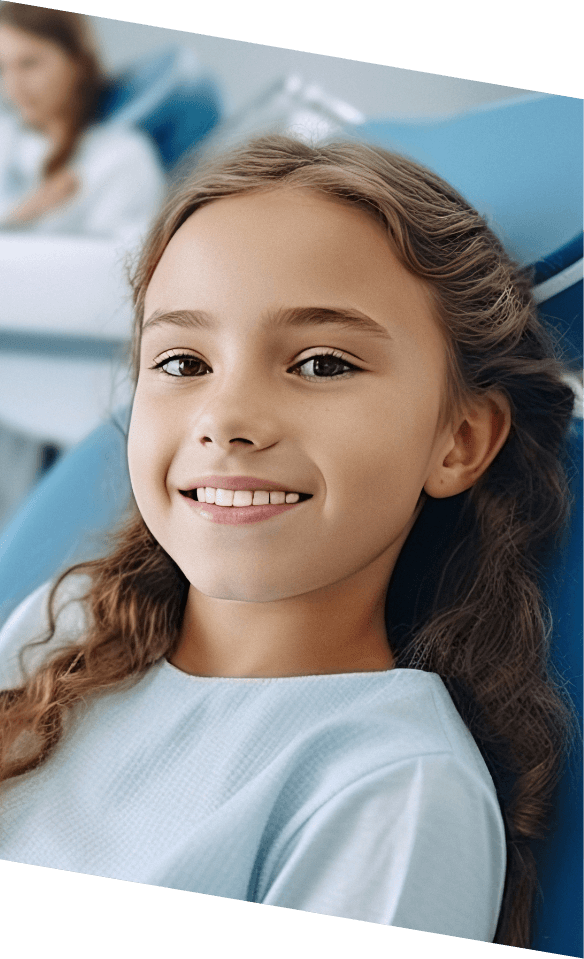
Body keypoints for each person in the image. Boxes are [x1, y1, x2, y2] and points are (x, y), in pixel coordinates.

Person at [0, 134, 581, 946]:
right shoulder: (55, 633)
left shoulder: (392, 790)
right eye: (182, 360)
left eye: (320, 364)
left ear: (459, 440)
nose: (226, 419)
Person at [0, 4, 166, 245]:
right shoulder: (6, 139)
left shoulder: (123, 156)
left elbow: (123, 259)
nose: (13, 87)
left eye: (29, 64)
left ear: (77, 61)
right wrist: (22, 214)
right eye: (3, 68)